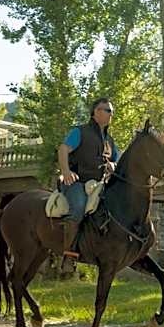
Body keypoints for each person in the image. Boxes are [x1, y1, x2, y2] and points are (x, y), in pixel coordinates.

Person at [57, 98, 119, 272]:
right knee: (78, 207)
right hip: (76, 182)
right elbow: (63, 149)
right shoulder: (79, 132)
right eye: (107, 110)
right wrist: (66, 171)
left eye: (111, 111)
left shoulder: (110, 141)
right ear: (96, 112)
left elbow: (117, 160)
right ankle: (69, 256)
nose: (111, 114)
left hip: (98, 184)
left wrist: (113, 165)